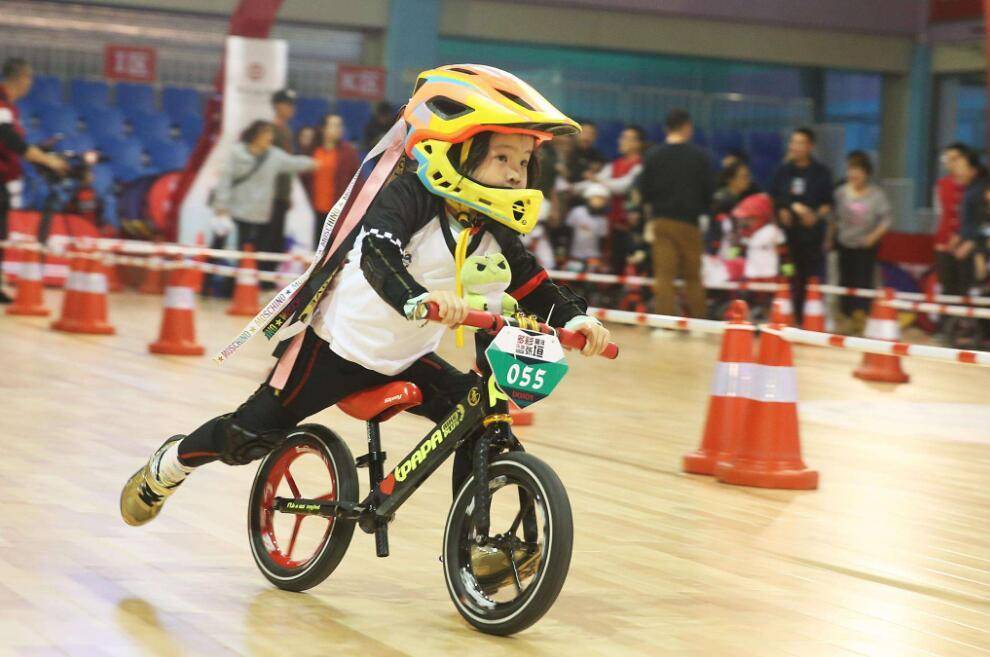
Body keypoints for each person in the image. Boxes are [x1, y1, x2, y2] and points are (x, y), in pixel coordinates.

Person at [120, 64, 611, 528]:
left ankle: (477, 543)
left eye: (523, 162)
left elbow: (530, 282)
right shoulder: (407, 197)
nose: (514, 174)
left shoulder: (492, 225)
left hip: (407, 358)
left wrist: (578, 320)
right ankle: (169, 465)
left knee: (482, 423)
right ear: (455, 152)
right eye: (502, 157)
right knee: (247, 437)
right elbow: (379, 255)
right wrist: (416, 298)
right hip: (334, 350)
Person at [637, 108, 715, 323]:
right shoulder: (699, 157)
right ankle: (700, 324)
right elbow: (709, 191)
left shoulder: (653, 156)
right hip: (689, 223)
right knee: (693, 277)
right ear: (687, 127)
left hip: (662, 221)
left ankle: (664, 324)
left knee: (664, 276)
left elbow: (644, 191)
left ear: (667, 128)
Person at [0, 58, 67, 302]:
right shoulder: (1, 102)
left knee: (2, 233)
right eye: (29, 78)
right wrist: (47, 161)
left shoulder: (7, 107)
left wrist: (38, 157)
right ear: (22, 78)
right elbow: (9, 139)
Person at [211, 120, 315, 250]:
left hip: (254, 214)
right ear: (256, 136)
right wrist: (221, 206)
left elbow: (294, 163)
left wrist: (315, 163)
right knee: (218, 245)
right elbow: (224, 181)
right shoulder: (236, 153)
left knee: (245, 250)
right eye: (267, 134)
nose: (270, 138)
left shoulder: (274, 155)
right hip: (231, 208)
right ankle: (209, 269)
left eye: (271, 135)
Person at [769, 127, 833, 324]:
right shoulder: (783, 171)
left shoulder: (821, 173)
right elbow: (774, 197)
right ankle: (785, 317)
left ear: (810, 146)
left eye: (800, 143)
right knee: (788, 275)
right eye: (793, 142)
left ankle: (807, 319)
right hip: (787, 238)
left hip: (811, 237)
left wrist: (814, 216)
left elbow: (828, 203)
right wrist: (782, 209)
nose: (795, 147)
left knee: (809, 278)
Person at [832, 151, 892, 333]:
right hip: (844, 244)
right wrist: (829, 238)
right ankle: (844, 318)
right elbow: (833, 218)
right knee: (843, 281)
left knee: (863, 282)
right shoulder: (840, 193)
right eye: (851, 169)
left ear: (866, 173)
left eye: (858, 169)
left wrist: (873, 237)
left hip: (865, 246)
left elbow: (887, 220)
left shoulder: (876, 195)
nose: (853, 174)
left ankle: (861, 320)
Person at [573, 125, 645, 274]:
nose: (620, 141)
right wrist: (574, 188)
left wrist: (597, 180)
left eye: (626, 138)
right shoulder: (615, 165)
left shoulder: (640, 167)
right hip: (614, 223)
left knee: (634, 264)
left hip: (634, 227)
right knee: (613, 263)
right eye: (621, 137)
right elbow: (596, 181)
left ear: (637, 144)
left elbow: (622, 186)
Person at [310, 113, 361, 248]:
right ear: (323, 129)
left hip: (337, 212)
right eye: (333, 125)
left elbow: (357, 182)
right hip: (313, 211)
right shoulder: (313, 150)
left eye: (339, 125)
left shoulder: (348, 152)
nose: (338, 129)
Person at [933, 143, 970, 301]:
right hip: (944, 244)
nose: (951, 163)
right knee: (946, 289)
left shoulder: (974, 185)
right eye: (948, 159)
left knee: (964, 289)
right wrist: (940, 242)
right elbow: (939, 215)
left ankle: (964, 324)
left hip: (967, 245)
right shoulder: (941, 185)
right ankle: (945, 325)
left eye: (955, 159)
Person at [267, 88, 297, 260]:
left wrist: (287, 193)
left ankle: (268, 279)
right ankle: (265, 280)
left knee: (277, 237)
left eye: (292, 105)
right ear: (277, 106)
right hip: (272, 194)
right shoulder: (271, 131)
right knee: (270, 238)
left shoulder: (285, 130)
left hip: (282, 193)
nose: (291, 108)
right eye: (287, 104)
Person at [565, 183, 610, 268]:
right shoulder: (577, 212)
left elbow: (602, 241)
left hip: (593, 257)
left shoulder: (603, 220)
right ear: (588, 198)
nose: (600, 202)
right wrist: (566, 254)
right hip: (575, 255)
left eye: (602, 200)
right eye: (597, 198)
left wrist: (602, 260)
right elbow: (568, 232)